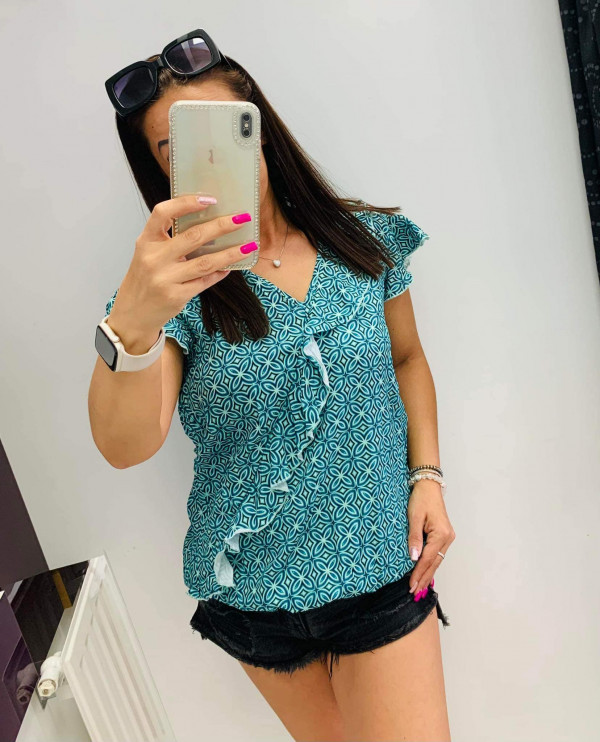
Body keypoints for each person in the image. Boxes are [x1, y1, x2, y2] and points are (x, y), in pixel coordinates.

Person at [89, 29, 456, 742]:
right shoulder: (172, 298)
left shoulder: (363, 240)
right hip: (252, 596)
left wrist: (429, 477)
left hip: (382, 567)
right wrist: (132, 318)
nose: (208, 160)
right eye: (175, 148)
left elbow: (409, 359)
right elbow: (125, 446)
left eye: (222, 129)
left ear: (256, 124)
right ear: (159, 169)